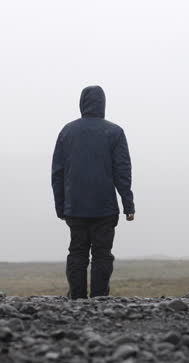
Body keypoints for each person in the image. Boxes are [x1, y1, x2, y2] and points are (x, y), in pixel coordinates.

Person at [51, 85, 135, 299]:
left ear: (82, 103)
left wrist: (61, 206)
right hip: (105, 207)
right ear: (103, 104)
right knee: (102, 254)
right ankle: (99, 299)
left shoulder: (67, 131)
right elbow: (122, 171)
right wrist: (128, 205)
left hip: (75, 206)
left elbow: (57, 173)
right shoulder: (115, 132)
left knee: (77, 252)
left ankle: (77, 298)